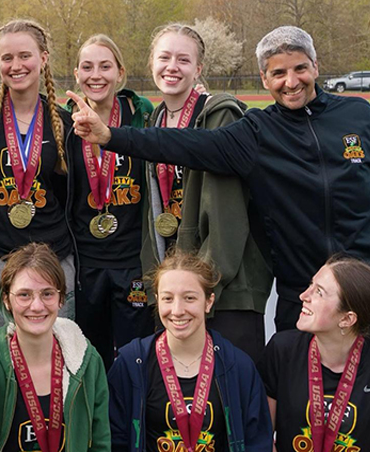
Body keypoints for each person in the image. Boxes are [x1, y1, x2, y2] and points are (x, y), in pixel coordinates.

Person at [69, 25, 366, 331]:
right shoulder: (257, 132)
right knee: (300, 376)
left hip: (362, 282)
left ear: (315, 67)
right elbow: (183, 144)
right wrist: (109, 136)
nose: (291, 82)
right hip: (300, 292)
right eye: (278, 73)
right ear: (264, 79)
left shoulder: (358, 114)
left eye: (300, 69)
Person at [0, 19, 72, 349]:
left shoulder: (63, 121)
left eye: (24, 56)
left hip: (53, 257)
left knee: (58, 359)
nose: (15, 66)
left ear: (44, 58)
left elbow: (71, 194)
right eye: (6, 58)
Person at [0, 242, 109, 452]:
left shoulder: (87, 360)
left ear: (61, 298)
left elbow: (100, 444)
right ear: (6, 299)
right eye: (24, 294)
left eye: (47, 294)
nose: (36, 306)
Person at [108, 249, 271, 452]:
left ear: (208, 302)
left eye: (189, 298)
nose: (177, 310)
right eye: (168, 299)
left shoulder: (237, 366)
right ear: (157, 299)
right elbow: (114, 440)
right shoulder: (131, 364)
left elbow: (257, 441)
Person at [65, 34, 155, 371]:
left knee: (136, 357)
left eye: (105, 66)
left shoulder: (140, 115)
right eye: (87, 67)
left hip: (132, 261)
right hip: (86, 263)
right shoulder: (64, 123)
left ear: (121, 72)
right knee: (91, 358)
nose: (96, 75)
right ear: (76, 74)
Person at [260, 255, 370, 452]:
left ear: (347, 319)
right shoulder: (282, 349)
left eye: (319, 292)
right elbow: (262, 436)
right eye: (311, 285)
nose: (304, 296)